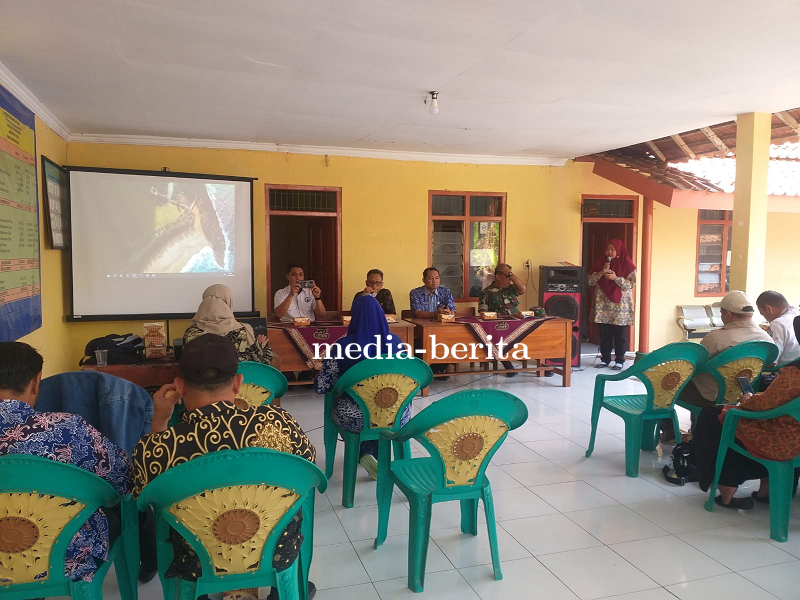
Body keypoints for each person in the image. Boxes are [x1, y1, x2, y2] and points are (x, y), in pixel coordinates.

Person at [132, 334, 317, 598]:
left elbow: (140, 493)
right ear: (238, 383)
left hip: (197, 558)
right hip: (276, 549)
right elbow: (309, 467)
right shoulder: (278, 423)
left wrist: (159, 421)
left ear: (179, 387)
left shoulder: (161, 447)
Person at [0, 342, 134, 583]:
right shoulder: (68, 429)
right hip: (60, 557)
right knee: (124, 510)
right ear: (36, 382)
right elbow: (124, 478)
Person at [693, 315, 800, 510]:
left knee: (716, 418)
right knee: (728, 418)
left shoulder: (795, 373)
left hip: (786, 440)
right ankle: (766, 490)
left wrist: (749, 398)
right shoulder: (763, 337)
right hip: (792, 431)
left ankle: (726, 490)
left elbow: (764, 405)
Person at [660, 291, 774, 443]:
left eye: (721, 313)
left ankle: (670, 431)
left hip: (708, 396)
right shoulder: (766, 339)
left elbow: (695, 365)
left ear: (728, 314)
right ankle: (696, 433)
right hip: (743, 394)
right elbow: (771, 363)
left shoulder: (716, 338)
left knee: (663, 385)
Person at [315, 295, 408, 478]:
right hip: (395, 414)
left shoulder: (343, 346)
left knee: (364, 408)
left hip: (356, 418)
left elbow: (322, 386)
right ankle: (372, 455)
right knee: (379, 405)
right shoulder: (396, 342)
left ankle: (365, 453)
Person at [184, 283, 276, 365]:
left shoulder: (191, 333)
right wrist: (260, 346)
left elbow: (186, 363)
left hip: (200, 379)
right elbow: (261, 363)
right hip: (238, 379)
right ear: (228, 302)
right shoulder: (244, 332)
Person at [588, 239, 636, 370]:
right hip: (603, 305)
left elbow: (631, 284)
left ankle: (620, 360)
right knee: (605, 334)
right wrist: (601, 272)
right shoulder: (601, 263)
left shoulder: (627, 264)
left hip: (620, 306)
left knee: (620, 335)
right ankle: (605, 359)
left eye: (613, 249)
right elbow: (590, 281)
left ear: (619, 250)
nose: (609, 252)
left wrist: (616, 278)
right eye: (607, 249)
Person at [478, 263, 527, 377]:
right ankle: (507, 365)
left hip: (515, 324)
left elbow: (522, 288)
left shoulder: (512, 289)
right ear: (498, 277)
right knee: (498, 338)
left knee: (532, 332)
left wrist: (510, 274)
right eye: (507, 276)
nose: (510, 278)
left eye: (511, 275)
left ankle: (543, 362)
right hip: (498, 326)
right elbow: (482, 311)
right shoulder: (487, 292)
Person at [409, 267, 456, 377]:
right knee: (418, 345)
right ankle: (424, 370)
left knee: (449, 342)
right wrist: (436, 314)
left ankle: (438, 369)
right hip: (422, 330)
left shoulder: (445, 292)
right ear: (424, 280)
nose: (434, 281)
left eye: (437, 278)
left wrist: (448, 312)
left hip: (441, 330)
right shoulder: (415, 293)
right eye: (430, 278)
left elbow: (452, 311)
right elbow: (417, 313)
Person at [756, 290, 800, 365]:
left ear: (768, 309)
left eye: (763, 314)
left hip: (784, 369)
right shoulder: (797, 315)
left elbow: (772, 360)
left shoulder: (777, 324)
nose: (766, 319)